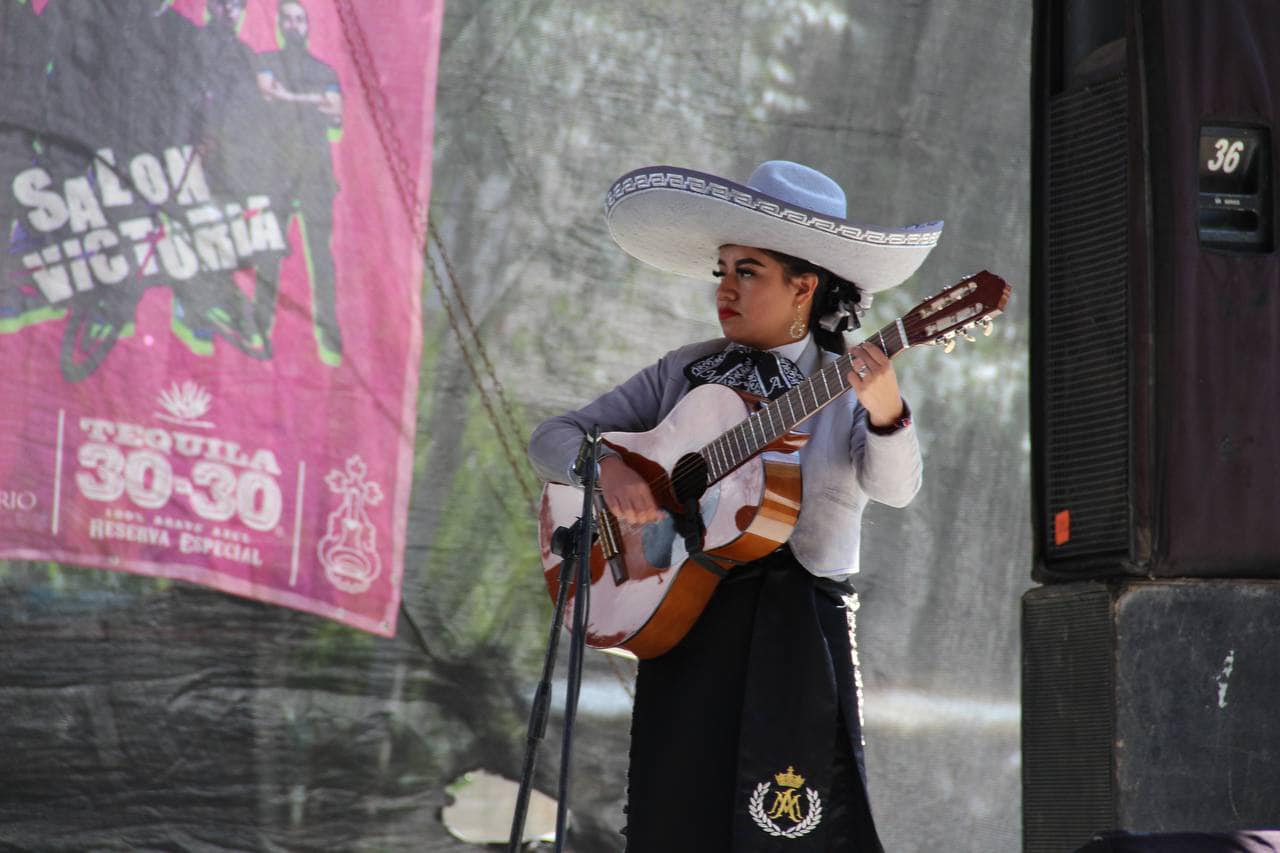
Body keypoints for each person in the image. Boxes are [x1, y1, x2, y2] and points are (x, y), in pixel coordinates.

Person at [527, 160, 943, 851]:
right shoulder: (682, 370)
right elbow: (552, 437)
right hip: (685, 613)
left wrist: (888, 409)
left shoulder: (845, 382)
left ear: (803, 286)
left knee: (791, 824)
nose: (725, 288)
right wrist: (608, 470)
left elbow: (898, 489)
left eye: (747, 271)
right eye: (722, 270)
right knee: (677, 814)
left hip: (797, 630)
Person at [255, 0, 344, 364]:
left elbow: (335, 111)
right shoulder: (266, 61)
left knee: (321, 256)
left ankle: (329, 329)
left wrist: (288, 99)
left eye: (298, 19)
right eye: (287, 19)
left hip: (316, 174)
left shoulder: (324, 69)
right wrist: (313, 101)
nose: (293, 25)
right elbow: (266, 94)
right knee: (268, 253)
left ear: (307, 26)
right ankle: (259, 325)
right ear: (279, 24)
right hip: (276, 171)